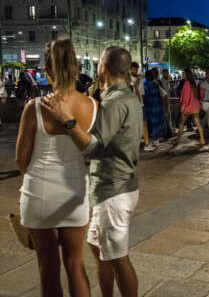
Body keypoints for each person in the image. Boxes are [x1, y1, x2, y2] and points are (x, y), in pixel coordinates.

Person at [41, 46, 143, 297]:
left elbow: (93, 146)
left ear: (103, 68)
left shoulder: (115, 102)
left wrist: (67, 121)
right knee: (99, 252)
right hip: (112, 187)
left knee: (119, 259)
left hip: (113, 189)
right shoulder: (126, 96)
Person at [16, 39, 96, 297]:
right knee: (76, 265)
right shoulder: (91, 106)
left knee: (47, 269)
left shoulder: (35, 108)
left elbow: (21, 157)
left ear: (48, 71)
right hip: (75, 190)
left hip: (39, 191)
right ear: (76, 68)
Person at [173, 68, 206, 147]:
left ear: (187, 75)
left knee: (181, 123)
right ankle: (202, 139)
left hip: (188, 106)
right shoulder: (193, 83)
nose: (182, 75)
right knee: (197, 123)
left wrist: (183, 106)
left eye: (183, 74)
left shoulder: (187, 83)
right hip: (195, 105)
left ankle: (178, 140)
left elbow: (187, 97)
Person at [143, 70, 167, 148]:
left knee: (152, 123)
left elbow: (145, 96)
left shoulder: (146, 85)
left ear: (146, 76)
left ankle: (154, 139)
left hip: (151, 106)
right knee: (157, 123)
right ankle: (156, 140)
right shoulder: (156, 84)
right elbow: (163, 94)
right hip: (158, 105)